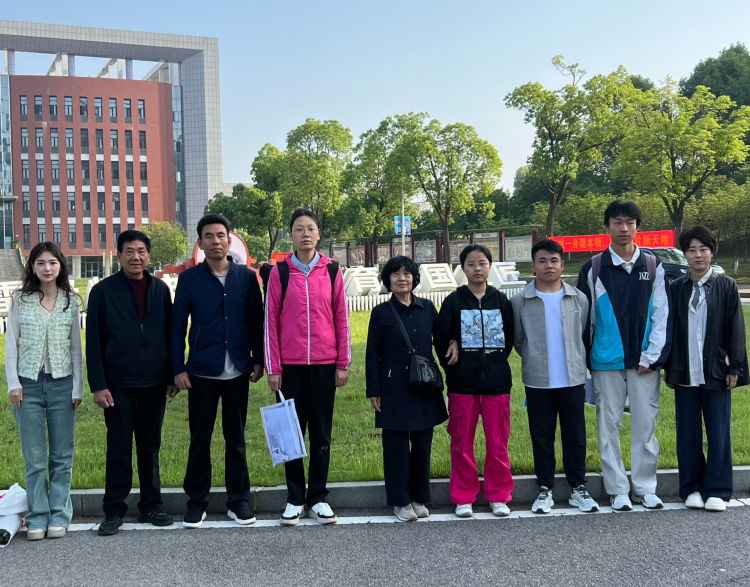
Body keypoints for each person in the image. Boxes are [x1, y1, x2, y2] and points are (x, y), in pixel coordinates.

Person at [577, 200, 671, 512]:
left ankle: (645, 487)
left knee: (646, 427)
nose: (624, 228)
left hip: (644, 362)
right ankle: (617, 489)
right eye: (617, 222)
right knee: (608, 428)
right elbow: (585, 320)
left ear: (637, 227)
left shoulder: (653, 265)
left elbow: (662, 315)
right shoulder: (594, 267)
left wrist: (652, 356)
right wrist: (588, 360)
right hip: (605, 361)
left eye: (629, 222)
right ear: (607, 227)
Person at [171, 214, 264, 528]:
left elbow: (256, 322)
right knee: (200, 439)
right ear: (200, 242)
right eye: (208, 236)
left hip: (237, 371)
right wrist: (178, 368)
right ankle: (197, 502)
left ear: (229, 239)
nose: (215, 241)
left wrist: (258, 360)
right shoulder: (190, 279)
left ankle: (238, 501)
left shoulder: (246, 278)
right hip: (201, 372)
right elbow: (177, 327)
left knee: (236, 439)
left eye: (220, 235)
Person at [86, 230, 177, 536]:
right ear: (119, 255)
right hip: (118, 385)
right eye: (129, 251)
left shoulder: (160, 289)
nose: (136, 257)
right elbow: (93, 341)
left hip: (154, 383)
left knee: (150, 447)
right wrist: (99, 385)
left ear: (148, 255)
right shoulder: (103, 292)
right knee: (119, 448)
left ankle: (152, 505)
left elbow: (169, 335)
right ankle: (114, 510)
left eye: (141, 251)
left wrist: (171, 376)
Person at [264, 208, 351, 525]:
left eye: (310, 228)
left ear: (318, 234)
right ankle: (294, 498)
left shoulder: (332, 271)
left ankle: (317, 497)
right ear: (291, 235)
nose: (305, 234)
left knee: (321, 433)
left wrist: (343, 362)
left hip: (325, 366)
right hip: (290, 367)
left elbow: (341, 318)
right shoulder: (280, 272)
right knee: (290, 434)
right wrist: (273, 367)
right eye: (299, 229)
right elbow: (270, 322)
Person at [511, 239, 598, 514]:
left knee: (575, 435)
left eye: (554, 260)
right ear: (533, 266)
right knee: (542, 436)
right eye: (542, 260)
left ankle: (578, 487)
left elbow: (583, 333)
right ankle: (544, 488)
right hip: (538, 380)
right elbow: (519, 340)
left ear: (562, 265)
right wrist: (535, 358)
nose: (549, 265)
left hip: (573, 379)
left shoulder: (579, 298)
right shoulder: (519, 301)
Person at [665, 226, 748, 512]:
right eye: (691, 249)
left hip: (716, 370)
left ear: (712, 252)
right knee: (687, 433)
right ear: (684, 254)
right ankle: (691, 488)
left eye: (703, 249)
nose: (698, 254)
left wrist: (735, 367)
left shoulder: (726, 285)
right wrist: (670, 368)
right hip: (685, 371)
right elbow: (670, 331)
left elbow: (736, 329)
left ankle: (718, 489)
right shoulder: (676, 287)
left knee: (718, 431)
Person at [5, 242, 82, 540]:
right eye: (40, 263)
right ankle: (37, 515)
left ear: (60, 266)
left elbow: (76, 349)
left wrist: (77, 387)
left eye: (52, 262)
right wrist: (13, 383)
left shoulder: (70, 301)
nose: (47, 268)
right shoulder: (21, 300)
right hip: (28, 385)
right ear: (32, 267)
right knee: (35, 457)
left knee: (62, 455)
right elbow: (11, 344)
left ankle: (59, 513)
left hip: (62, 384)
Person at [365, 256, 448, 522]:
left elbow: (442, 339)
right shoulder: (381, 313)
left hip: (424, 385)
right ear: (388, 280)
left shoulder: (427, 308)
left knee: (422, 445)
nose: (402, 278)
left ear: (414, 278)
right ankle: (400, 501)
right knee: (396, 447)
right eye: (395, 274)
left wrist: (454, 343)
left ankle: (419, 497)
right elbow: (372, 353)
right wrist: (373, 390)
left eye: (407, 273)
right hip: (393, 388)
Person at [435, 244, 514, 518]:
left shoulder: (501, 301)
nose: (477, 269)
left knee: (498, 444)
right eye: (471, 264)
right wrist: (453, 344)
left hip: (497, 385)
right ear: (463, 269)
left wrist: (493, 362)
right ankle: (463, 497)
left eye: (482, 263)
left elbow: (509, 339)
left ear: (490, 266)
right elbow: (440, 337)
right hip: (462, 385)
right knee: (461, 444)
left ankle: (499, 495)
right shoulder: (454, 301)